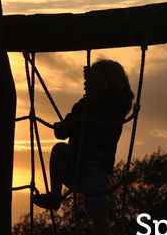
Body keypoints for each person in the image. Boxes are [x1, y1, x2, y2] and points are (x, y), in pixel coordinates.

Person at [33, 59, 134, 235]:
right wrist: (62, 127)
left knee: (96, 207)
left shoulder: (114, 107)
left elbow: (120, 97)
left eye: (92, 80)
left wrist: (101, 83)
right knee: (59, 150)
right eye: (87, 81)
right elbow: (62, 133)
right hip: (74, 163)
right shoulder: (83, 106)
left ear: (109, 83)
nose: (86, 83)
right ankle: (55, 196)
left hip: (96, 165)